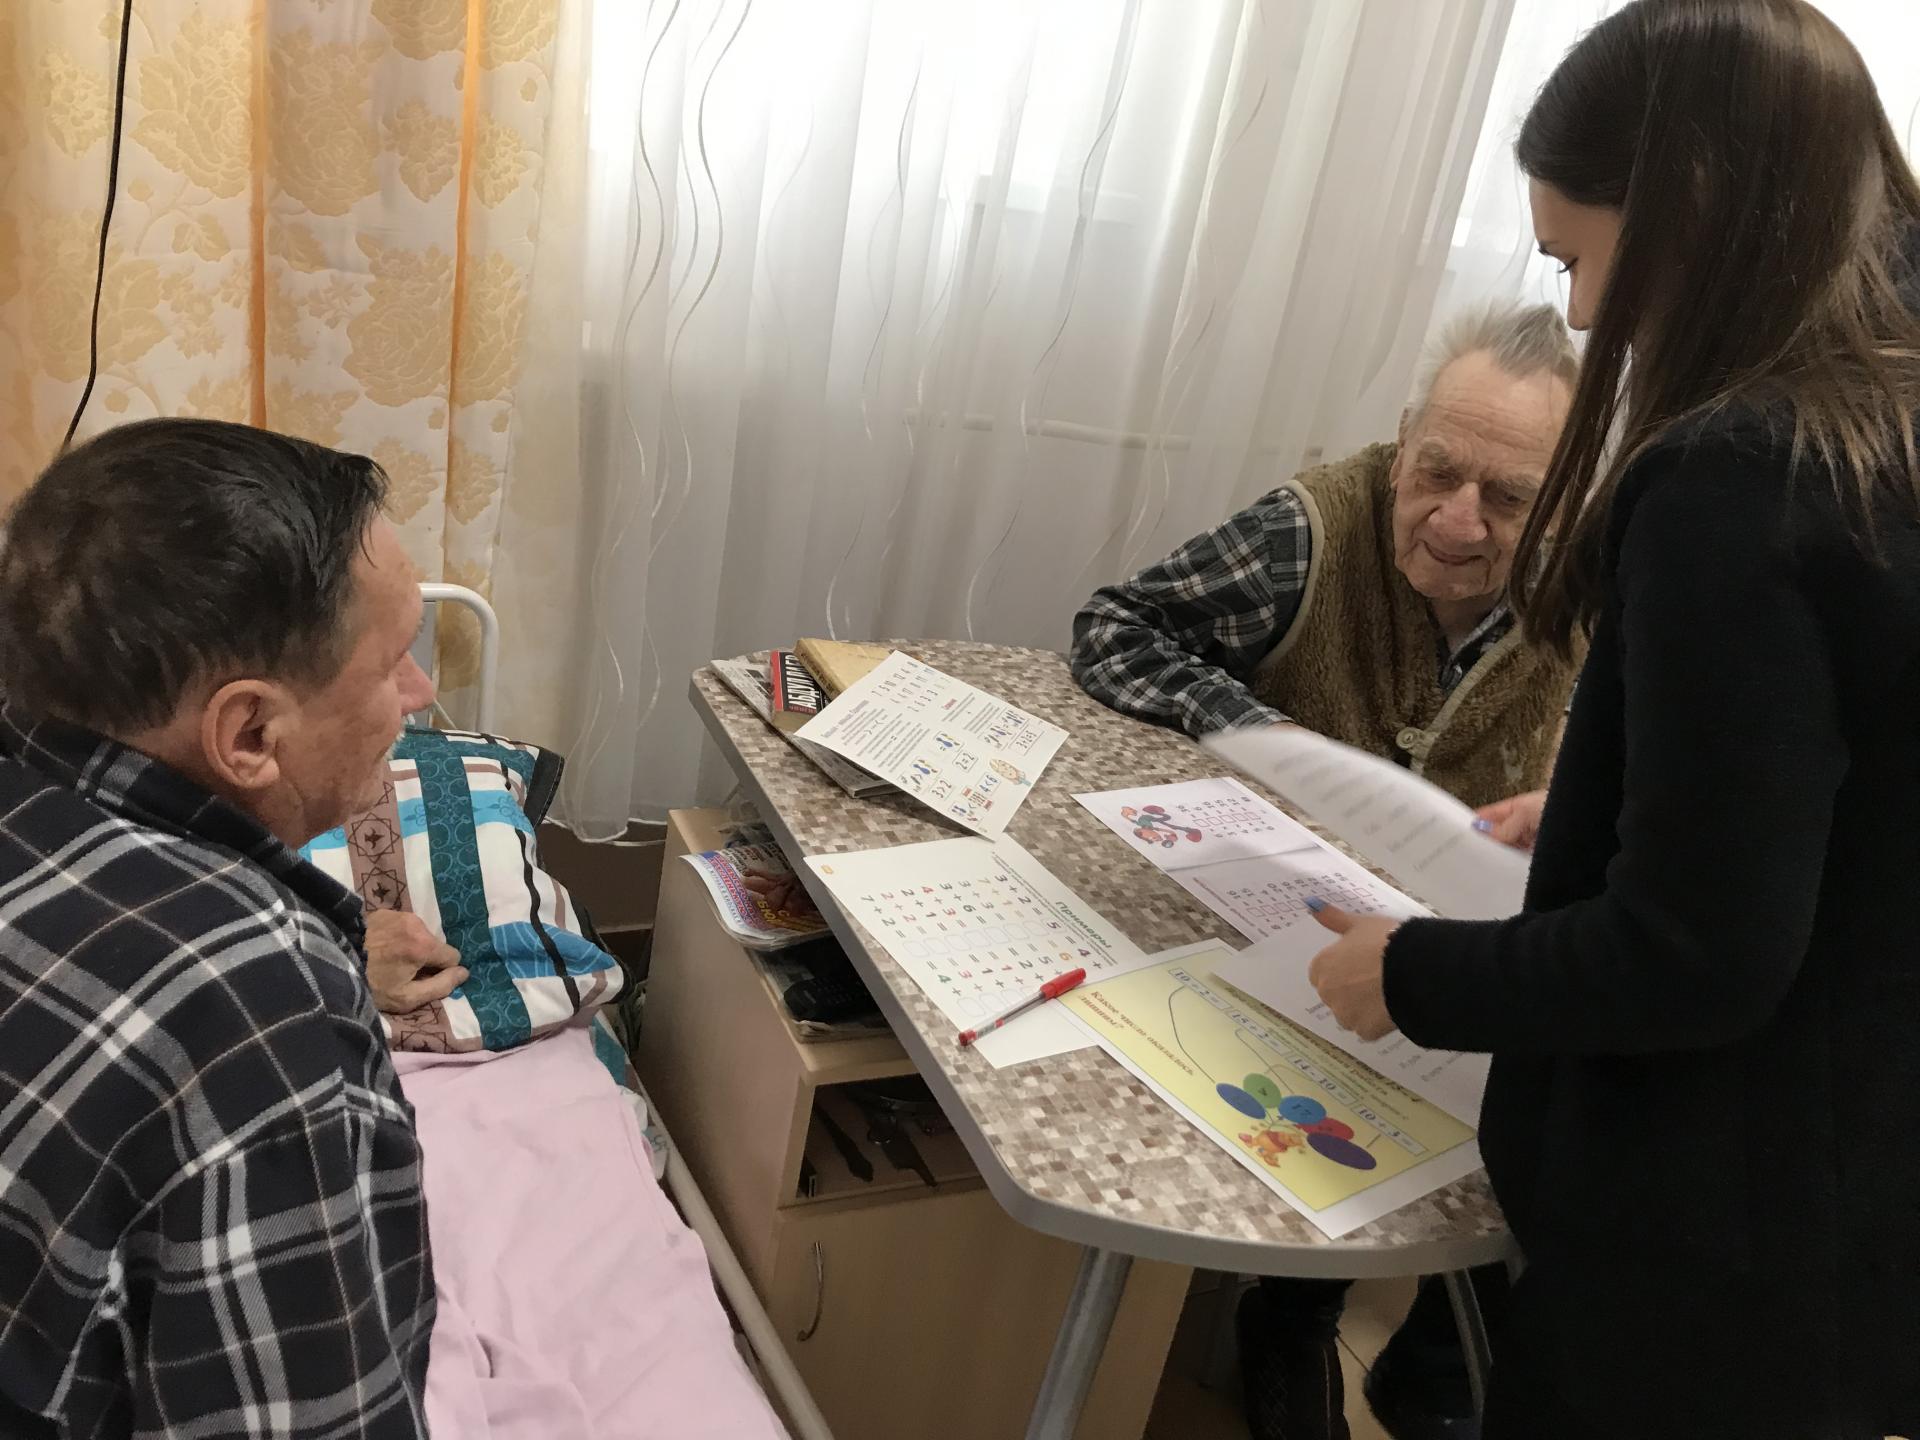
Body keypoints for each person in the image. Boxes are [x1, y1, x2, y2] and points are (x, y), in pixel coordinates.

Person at [1303, 2, 1920, 1436]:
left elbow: (1696, 957)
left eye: (1579, 258)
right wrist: (1628, 805)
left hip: (1714, 1235)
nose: (1582, 315)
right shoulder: (1889, 420)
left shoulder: (1744, 476)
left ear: (1691, 210)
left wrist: (1411, 975)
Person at [1070, 304, 1577, 1440]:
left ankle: (1437, 1361)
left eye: (1508, 499)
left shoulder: (1599, 585)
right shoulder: (1314, 528)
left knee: (1558, 1082)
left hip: (1466, 930)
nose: (1457, 520)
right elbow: (1116, 631)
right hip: (1284, 909)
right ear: (1402, 446)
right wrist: (1264, 737)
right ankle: (1291, 1319)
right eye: (1437, 472)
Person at [0, 419, 441, 1438]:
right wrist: (297, 984)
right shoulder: (255, 1006)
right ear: (249, 734)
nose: (419, 694)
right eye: (394, 663)